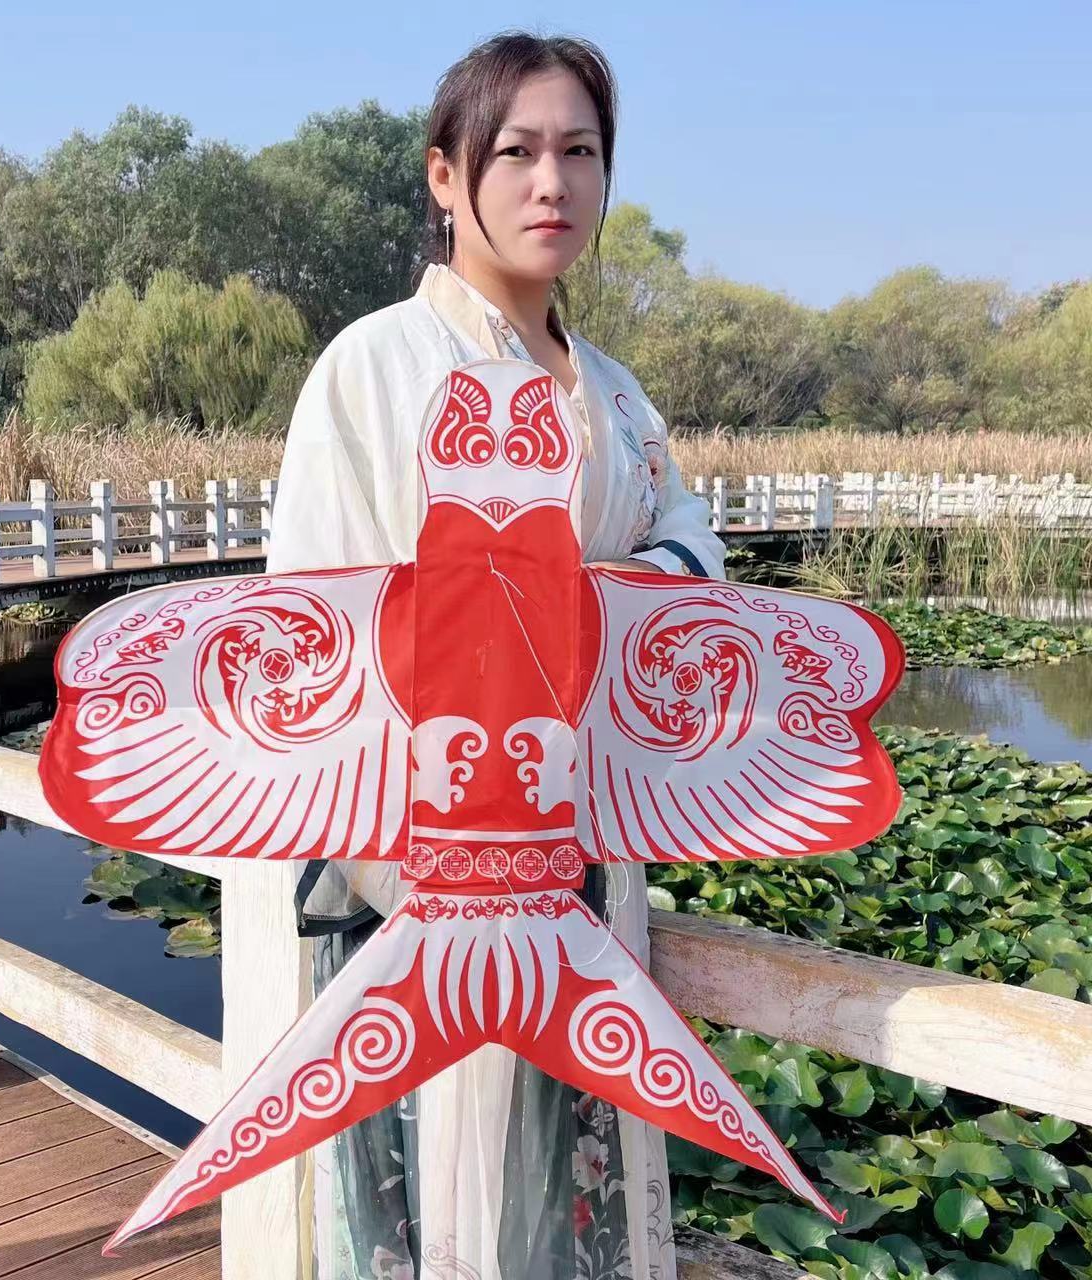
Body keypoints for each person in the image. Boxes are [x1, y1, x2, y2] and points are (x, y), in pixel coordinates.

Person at [266, 29, 725, 1280]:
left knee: (562, 1211)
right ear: (443, 175)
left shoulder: (617, 397)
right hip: (417, 883)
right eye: (515, 151)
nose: (551, 183)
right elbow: (315, 639)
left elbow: (692, 547)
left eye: (580, 152)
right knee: (436, 1215)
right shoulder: (373, 368)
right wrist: (437, 884)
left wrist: (615, 598)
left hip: (585, 869)